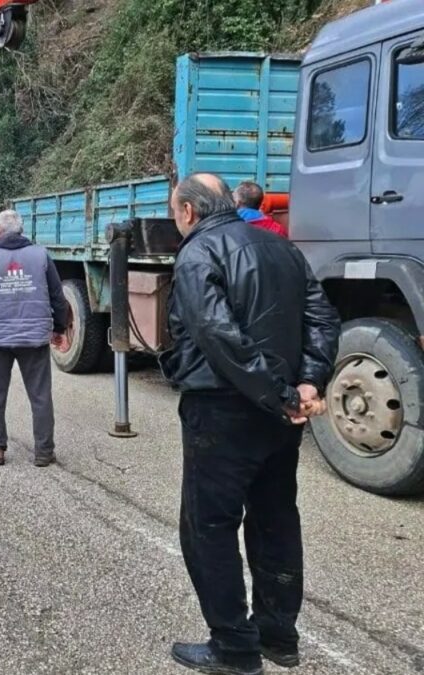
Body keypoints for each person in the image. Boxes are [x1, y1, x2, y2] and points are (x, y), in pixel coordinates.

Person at [159, 173, 340, 675]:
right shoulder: (281, 248)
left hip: (224, 410)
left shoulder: (197, 254)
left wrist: (281, 395)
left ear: (189, 212)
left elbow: (219, 336)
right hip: (279, 414)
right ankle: (279, 637)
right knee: (276, 517)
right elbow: (323, 318)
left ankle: (234, 648)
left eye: (177, 213)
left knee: (208, 528)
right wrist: (308, 383)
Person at [0, 210, 69, 468]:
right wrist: (58, 328)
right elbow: (58, 297)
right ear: (21, 231)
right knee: (40, 395)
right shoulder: (41, 256)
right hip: (34, 339)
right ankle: (44, 452)